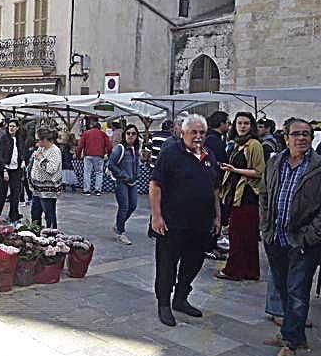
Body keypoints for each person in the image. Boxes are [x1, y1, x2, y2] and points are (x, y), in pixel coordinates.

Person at [259, 118, 321, 356]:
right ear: (286, 137)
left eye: (307, 134)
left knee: (297, 292)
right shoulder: (275, 162)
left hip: (303, 242)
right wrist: (265, 227)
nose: (302, 138)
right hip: (276, 238)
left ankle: (290, 344)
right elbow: (264, 193)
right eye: (296, 134)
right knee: (283, 288)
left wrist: (310, 236)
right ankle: (292, 333)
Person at [149, 114, 221, 327]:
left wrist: (217, 216)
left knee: (193, 263)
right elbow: (155, 186)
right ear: (183, 133)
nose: (198, 136)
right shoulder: (170, 153)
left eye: (202, 133)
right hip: (172, 223)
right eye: (194, 132)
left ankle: (181, 298)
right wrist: (156, 216)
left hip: (200, 224)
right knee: (167, 266)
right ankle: (164, 304)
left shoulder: (209, 156)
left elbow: (214, 189)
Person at [215, 112, 265, 281]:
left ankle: (233, 270)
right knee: (246, 235)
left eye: (246, 123)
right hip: (237, 194)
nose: (242, 126)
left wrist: (234, 170)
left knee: (238, 235)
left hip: (247, 195)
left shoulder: (254, 145)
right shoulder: (237, 144)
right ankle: (250, 271)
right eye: (239, 123)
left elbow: (259, 172)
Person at [108, 124, 140, 245]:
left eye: (133, 133)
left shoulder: (135, 149)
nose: (131, 136)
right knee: (124, 206)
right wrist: (123, 175)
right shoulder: (119, 148)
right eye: (128, 133)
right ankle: (121, 232)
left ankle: (118, 225)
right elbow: (111, 164)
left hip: (132, 182)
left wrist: (136, 174)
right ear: (124, 135)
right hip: (121, 182)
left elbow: (136, 163)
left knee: (133, 205)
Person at [29, 127, 63, 228]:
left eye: (38, 140)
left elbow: (52, 168)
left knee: (49, 215)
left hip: (48, 189)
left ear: (44, 140)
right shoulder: (41, 148)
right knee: (35, 214)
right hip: (37, 188)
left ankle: (52, 236)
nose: (37, 142)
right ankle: (36, 233)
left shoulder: (55, 151)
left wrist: (41, 159)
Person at [0, 119, 24, 222]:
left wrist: (22, 160)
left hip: (16, 169)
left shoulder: (19, 138)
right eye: (10, 126)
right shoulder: (3, 138)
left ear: (17, 128)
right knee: (1, 193)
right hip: (6, 169)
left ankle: (14, 214)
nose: (11, 128)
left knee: (16, 193)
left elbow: (21, 151)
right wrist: (3, 170)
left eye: (13, 126)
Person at [76, 121, 111, 196]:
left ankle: (87, 190)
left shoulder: (86, 133)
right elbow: (109, 146)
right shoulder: (103, 134)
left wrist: (78, 155)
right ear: (99, 127)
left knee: (87, 172)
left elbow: (80, 145)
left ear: (92, 127)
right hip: (99, 155)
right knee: (99, 172)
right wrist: (109, 154)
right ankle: (98, 190)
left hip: (88, 155)